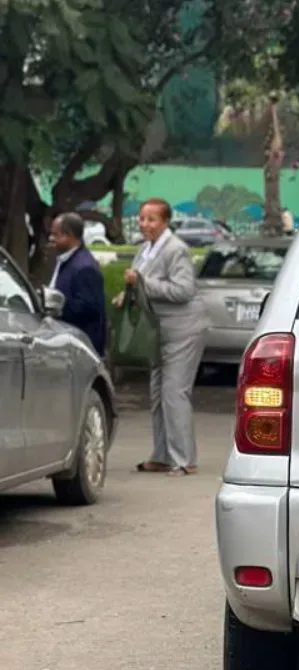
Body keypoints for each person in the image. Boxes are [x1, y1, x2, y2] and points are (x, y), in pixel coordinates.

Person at [122, 198, 209, 477]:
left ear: (165, 222)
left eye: (151, 219)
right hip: (158, 331)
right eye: (142, 218)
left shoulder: (176, 250)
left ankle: (185, 459)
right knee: (158, 394)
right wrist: (126, 294)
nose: (145, 224)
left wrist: (143, 283)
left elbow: (183, 290)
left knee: (174, 393)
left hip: (183, 329)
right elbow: (140, 284)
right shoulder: (144, 250)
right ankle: (161, 455)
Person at [48, 212, 107, 358]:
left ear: (68, 235)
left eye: (55, 235)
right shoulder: (66, 260)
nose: (51, 239)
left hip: (80, 348)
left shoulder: (84, 267)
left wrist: (53, 308)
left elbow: (88, 309)